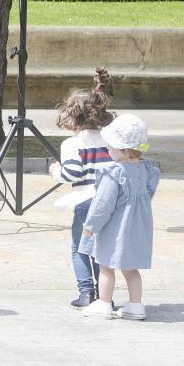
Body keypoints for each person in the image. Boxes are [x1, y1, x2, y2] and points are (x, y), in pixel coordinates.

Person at [78, 113, 160, 320]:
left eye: (111, 145)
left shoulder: (114, 173)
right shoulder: (146, 171)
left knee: (106, 267)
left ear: (124, 149)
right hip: (138, 228)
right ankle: (136, 306)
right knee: (131, 269)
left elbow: (102, 205)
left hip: (115, 229)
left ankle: (104, 304)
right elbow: (146, 197)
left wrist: (90, 226)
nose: (107, 148)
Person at [49, 68, 115, 308]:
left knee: (80, 248)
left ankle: (86, 292)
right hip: (108, 201)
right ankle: (105, 295)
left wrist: (56, 170)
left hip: (85, 203)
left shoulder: (72, 144)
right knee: (101, 249)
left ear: (72, 116)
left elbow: (73, 173)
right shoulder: (110, 140)